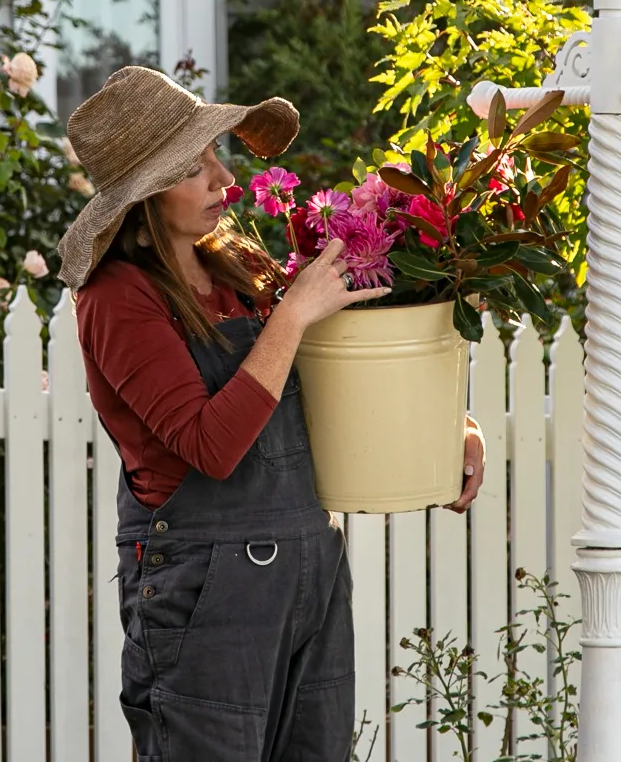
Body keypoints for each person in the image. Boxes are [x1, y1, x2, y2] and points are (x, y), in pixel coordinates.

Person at [58, 66, 485, 761]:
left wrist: (451, 431)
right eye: (193, 168)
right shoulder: (117, 298)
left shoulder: (235, 262)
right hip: (205, 593)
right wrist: (290, 313)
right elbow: (211, 444)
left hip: (308, 572)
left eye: (214, 155)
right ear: (144, 196)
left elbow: (324, 377)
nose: (222, 178)